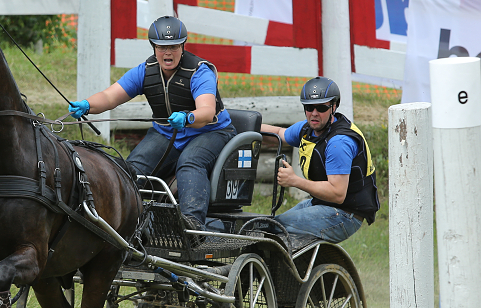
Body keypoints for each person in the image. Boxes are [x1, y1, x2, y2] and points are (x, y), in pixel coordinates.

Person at [68, 16, 236, 233]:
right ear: (154, 47)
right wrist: (87, 104)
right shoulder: (145, 71)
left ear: (182, 46)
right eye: (161, 47)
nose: (168, 52)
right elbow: (110, 97)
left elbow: (206, 111)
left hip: (210, 132)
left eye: (174, 46)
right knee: (130, 171)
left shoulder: (199, 71)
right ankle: (126, 225)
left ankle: (192, 226)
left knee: (190, 161)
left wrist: (188, 118)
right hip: (167, 133)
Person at [260, 76, 380, 243]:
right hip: (324, 204)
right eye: (309, 107)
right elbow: (279, 134)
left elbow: (337, 193)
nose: (314, 113)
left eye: (321, 108)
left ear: (334, 106)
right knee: (265, 224)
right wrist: (241, 127)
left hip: (346, 214)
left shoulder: (339, 143)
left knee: (276, 227)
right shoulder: (309, 129)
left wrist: (295, 181)